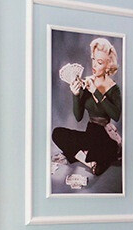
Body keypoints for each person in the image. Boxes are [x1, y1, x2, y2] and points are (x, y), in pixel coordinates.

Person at [52, 36, 122, 177]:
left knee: (111, 148)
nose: (94, 65)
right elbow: (78, 117)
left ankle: (88, 155)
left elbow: (116, 115)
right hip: (90, 133)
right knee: (57, 133)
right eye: (93, 59)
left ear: (108, 65)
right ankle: (90, 162)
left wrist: (96, 92)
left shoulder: (114, 88)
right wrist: (76, 94)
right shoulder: (87, 82)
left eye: (99, 62)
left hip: (105, 135)